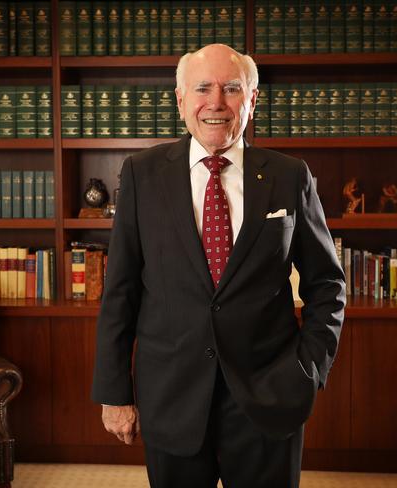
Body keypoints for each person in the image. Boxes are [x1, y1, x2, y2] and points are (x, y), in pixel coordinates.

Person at [91, 44, 346, 488]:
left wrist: (310, 370)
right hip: (170, 396)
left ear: (252, 99)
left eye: (231, 89)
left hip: (268, 397)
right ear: (180, 99)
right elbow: (121, 291)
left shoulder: (290, 175)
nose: (216, 103)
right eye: (203, 88)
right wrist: (114, 392)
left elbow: (328, 284)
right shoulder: (141, 174)